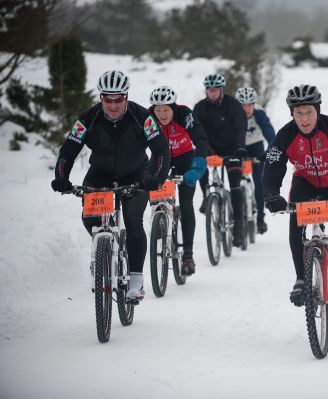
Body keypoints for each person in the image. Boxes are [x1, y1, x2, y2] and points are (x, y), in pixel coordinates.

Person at [51, 70, 170, 303]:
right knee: (89, 217)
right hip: (100, 175)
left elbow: (161, 151)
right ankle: (102, 250)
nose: (113, 105)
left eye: (118, 99)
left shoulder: (142, 117)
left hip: (136, 175)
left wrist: (157, 177)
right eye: (108, 99)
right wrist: (61, 176)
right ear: (101, 98)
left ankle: (135, 278)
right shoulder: (88, 118)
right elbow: (68, 151)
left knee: (134, 221)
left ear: (126, 97)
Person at [263, 84, 328, 307]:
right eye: (299, 113)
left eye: (309, 112)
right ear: (292, 114)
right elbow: (272, 168)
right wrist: (271, 195)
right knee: (296, 230)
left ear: (318, 111)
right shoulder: (286, 135)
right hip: (305, 184)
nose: (304, 119)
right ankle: (301, 279)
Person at [148, 85, 209, 275]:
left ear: (173, 107)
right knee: (148, 185)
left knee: (186, 202)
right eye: (158, 110)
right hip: (161, 158)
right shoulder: (148, 118)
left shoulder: (184, 114)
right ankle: (159, 220)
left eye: (166, 109)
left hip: (185, 159)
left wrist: (198, 166)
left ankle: (188, 255)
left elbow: (200, 139)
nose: (162, 114)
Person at [193, 73, 248, 247]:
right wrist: (204, 150)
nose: (213, 93)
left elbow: (240, 127)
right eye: (210, 90)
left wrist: (240, 147)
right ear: (206, 91)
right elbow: (196, 129)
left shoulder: (233, 105)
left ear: (221, 89)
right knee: (200, 164)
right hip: (211, 148)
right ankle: (205, 196)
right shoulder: (200, 107)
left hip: (233, 148)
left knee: (235, 184)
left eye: (215, 90)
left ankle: (238, 225)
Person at [234, 87, 276, 234]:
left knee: (259, 182)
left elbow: (271, 136)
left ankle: (260, 219)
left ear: (254, 104)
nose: (247, 109)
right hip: (239, 146)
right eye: (243, 105)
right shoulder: (233, 114)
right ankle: (236, 218)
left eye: (249, 104)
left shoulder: (259, 114)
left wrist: (267, 152)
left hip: (256, 147)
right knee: (235, 183)